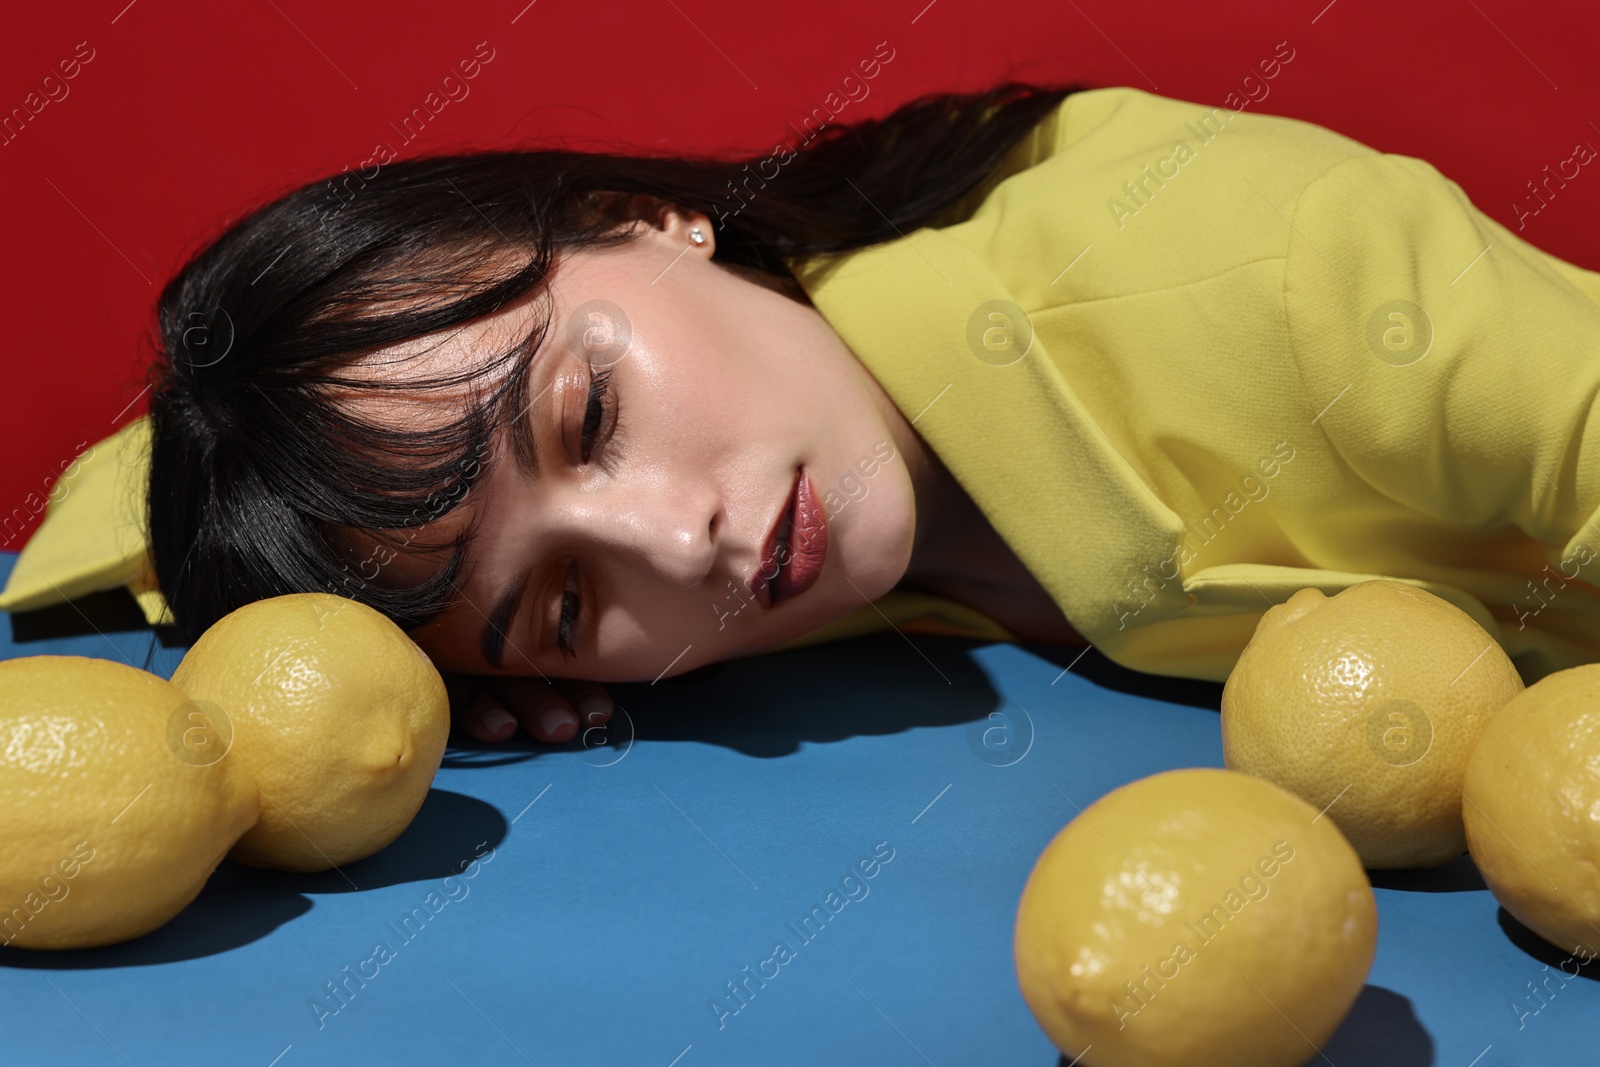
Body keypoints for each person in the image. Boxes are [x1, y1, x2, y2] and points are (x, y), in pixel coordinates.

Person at [142, 79, 1600, 749]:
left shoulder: (1283, 276)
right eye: (570, 602)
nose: (680, 539)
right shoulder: (779, 482)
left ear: (647, 220)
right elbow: (158, 487)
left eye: (592, 415)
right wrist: (422, 687)